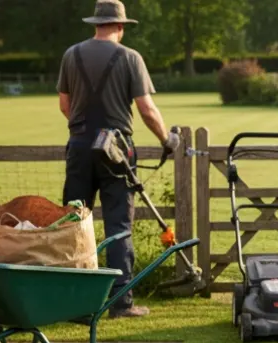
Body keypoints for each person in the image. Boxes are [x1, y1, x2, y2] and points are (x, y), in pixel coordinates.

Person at [58, 0, 179, 319]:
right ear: (121, 27)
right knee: (118, 226)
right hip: (116, 151)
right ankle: (121, 302)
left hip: (80, 147)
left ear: (96, 24)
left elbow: (64, 104)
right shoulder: (130, 58)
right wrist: (167, 140)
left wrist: (84, 130)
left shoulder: (72, 55)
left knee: (73, 222)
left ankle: (73, 301)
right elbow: (147, 109)